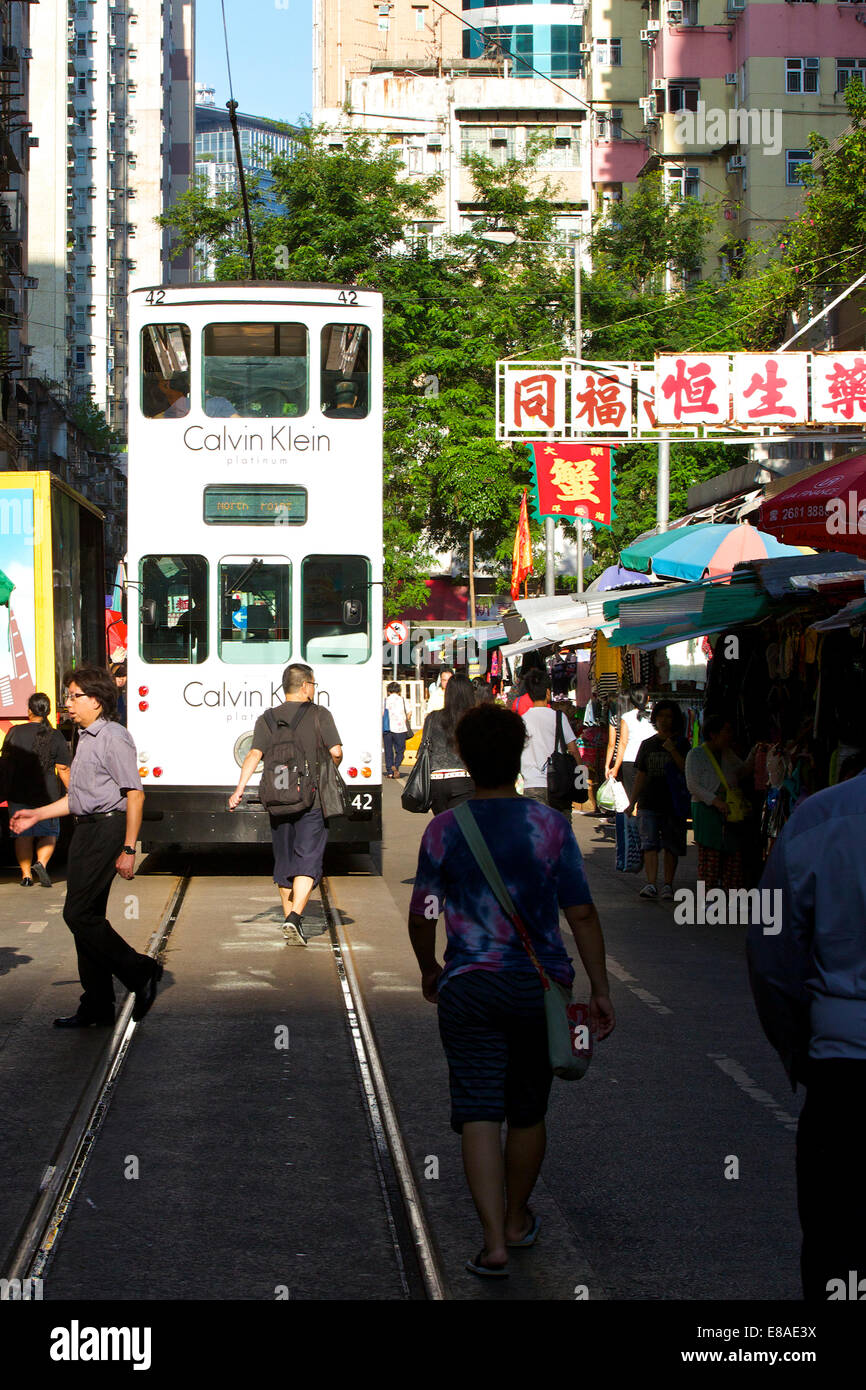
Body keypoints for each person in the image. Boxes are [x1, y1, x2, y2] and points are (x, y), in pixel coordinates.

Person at [407, 704, 615, 1276]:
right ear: (519, 754)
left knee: (478, 1111)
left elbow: (424, 912)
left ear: (467, 760)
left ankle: (493, 1241)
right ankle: (519, 1216)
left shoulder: (445, 829)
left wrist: (429, 969)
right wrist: (598, 986)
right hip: (538, 986)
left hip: (469, 986)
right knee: (527, 1110)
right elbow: (583, 914)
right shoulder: (549, 826)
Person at [747, 766, 866, 1301]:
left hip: (844, 1074)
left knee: (838, 1247)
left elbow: (772, 958)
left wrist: (798, 1049)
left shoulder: (819, 818)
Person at [10, 667, 160, 1028]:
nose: (67, 703)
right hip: (86, 829)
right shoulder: (84, 736)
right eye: (67, 695)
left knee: (77, 915)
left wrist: (128, 849)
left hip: (108, 830)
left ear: (96, 699)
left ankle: (141, 971)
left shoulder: (114, 737)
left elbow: (135, 795)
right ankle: (97, 1004)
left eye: (74, 696)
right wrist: (35, 815)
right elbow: (78, 799)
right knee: (85, 917)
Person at [229, 663, 342, 945]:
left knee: (284, 864)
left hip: (278, 800)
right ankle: (294, 918)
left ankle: (290, 922)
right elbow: (336, 752)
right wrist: (327, 769)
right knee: (308, 860)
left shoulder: (267, 718)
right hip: (311, 800)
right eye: (314, 684)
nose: (314, 688)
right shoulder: (320, 714)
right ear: (305, 686)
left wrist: (239, 789)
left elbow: (255, 754)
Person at [1, 693, 72, 887]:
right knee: (48, 832)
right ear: (48, 711)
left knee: (23, 834)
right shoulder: (55, 735)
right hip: (47, 795)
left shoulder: (15, 732)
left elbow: (6, 762)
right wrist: (73, 791)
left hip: (18, 792)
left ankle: (25, 875)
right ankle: (41, 863)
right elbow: (63, 768)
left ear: (29, 711)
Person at [685, 713, 753, 891]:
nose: (730, 736)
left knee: (733, 854)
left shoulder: (728, 754)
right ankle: (709, 895)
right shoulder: (696, 754)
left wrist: (756, 753)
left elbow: (743, 771)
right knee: (710, 855)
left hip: (729, 811)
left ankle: (731, 893)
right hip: (706, 810)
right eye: (726, 731)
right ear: (713, 734)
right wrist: (715, 801)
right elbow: (693, 785)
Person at [630, 699, 689, 901]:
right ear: (655, 719)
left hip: (673, 803)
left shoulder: (682, 744)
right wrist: (632, 802)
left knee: (671, 846)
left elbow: (686, 770)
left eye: (669, 716)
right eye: (661, 716)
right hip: (649, 802)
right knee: (649, 844)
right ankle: (651, 883)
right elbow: (641, 775)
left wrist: (672, 750)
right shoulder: (647, 744)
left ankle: (668, 885)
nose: (664, 720)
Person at [519, 669, 580, 815]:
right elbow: (573, 750)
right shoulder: (559, 717)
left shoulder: (522, 720)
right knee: (561, 830)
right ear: (548, 692)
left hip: (532, 784)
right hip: (559, 784)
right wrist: (580, 774)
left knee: (536, 831)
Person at [420, 672, 476, 815]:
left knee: (444, 826)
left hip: (436, 782)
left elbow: (423, 749)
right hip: (463, 781)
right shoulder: (473, 718)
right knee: (462, 828)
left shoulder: (432, 718)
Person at [606, 685, 654, 806]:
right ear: (647, 699)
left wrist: (615, 767)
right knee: (647, 795)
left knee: (631, 796)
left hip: (630, 761)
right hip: (650, 760)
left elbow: (622, 742)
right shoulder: (654, 716)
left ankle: (633, 820)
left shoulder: (626, 717)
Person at [383, 681, 410, 778]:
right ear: (399, 691)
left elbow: (382, 714)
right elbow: (409, 714)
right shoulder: (403, 700)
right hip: (400, 729)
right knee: (400, 750)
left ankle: (390, 772)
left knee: (388, 750)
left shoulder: (385, 700)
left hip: (387, 729)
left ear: (388, 691)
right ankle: (396, 765)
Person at [110, 661, 128, 725]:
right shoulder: (109, 693)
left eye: (124, 675)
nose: (121, 679)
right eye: (118, 676)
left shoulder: (127, 693)